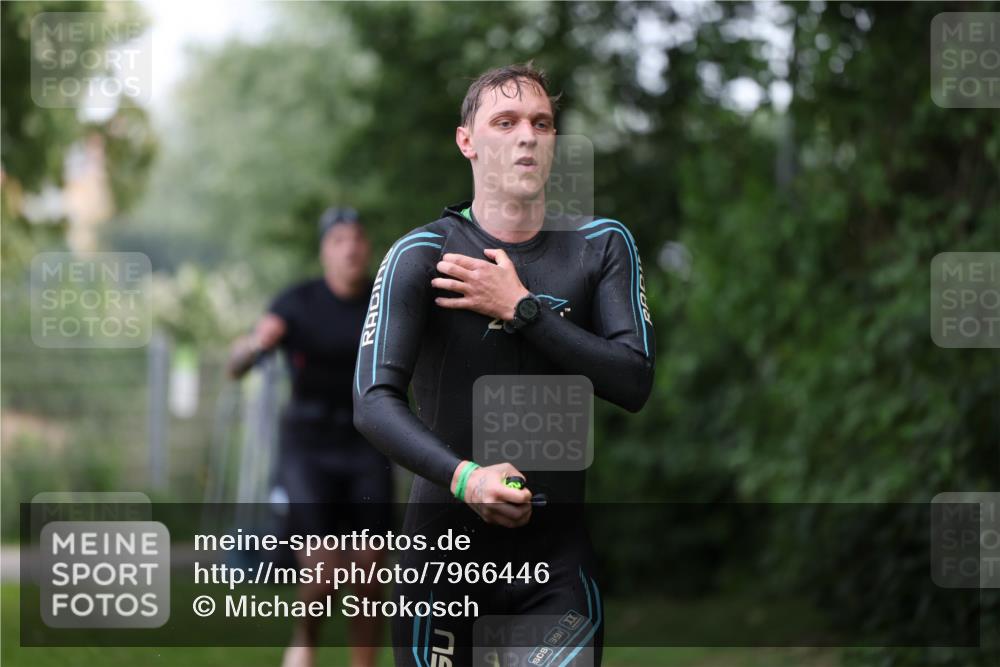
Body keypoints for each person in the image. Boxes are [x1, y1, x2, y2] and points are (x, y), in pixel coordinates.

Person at [353, 63, 655, 666]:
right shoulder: (423, 254)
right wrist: (466, 478)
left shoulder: (601, 246)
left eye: (542, 123)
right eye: (505, 121)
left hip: (556, 570)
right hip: (441, 565)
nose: (527, 135)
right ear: (467, 140)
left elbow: (633, 379)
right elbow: (372, 402)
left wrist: (523, 310)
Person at [228, 207, 392, 667]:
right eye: (339, 239)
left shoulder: (384, 302)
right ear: (325, 250)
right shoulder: (297, 302)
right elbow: (234, 364)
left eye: (358, 238)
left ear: (368, 247)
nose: (351, 247)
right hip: (309, 447)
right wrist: (258, 342)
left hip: (367, 445)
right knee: (323, 572)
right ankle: (304, 640)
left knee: (369, 573)